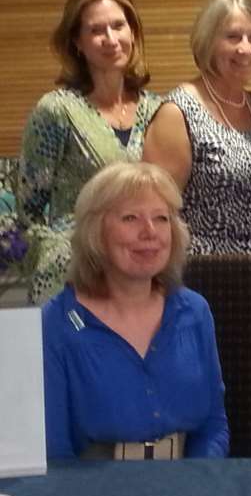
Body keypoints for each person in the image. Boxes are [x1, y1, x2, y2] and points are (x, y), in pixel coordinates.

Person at [143, 0, 251, 455]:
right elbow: (157, 209)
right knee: (209, 407)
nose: (245, 48)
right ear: (209, 41)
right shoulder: (177, 110)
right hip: (203, 282)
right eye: (233, 36)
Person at [43, 161, 229, 459]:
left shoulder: (195, 312)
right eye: (130, 218)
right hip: (93, 495)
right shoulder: (56, 323)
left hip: (188, 489)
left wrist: (198, 485)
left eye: (161, 218)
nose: (150, 232)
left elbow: (213, 427)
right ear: (96, 232)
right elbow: (55, 450)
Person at [18, 0, 163, 305]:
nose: (111, 39)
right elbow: (28, 213)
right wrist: (62, 257)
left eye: (118, 26)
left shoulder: (159, 111)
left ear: (133, 32)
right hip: (75, 279)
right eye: (97, 30)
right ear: (77, 42)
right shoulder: (56, 111)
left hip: (144, 277)